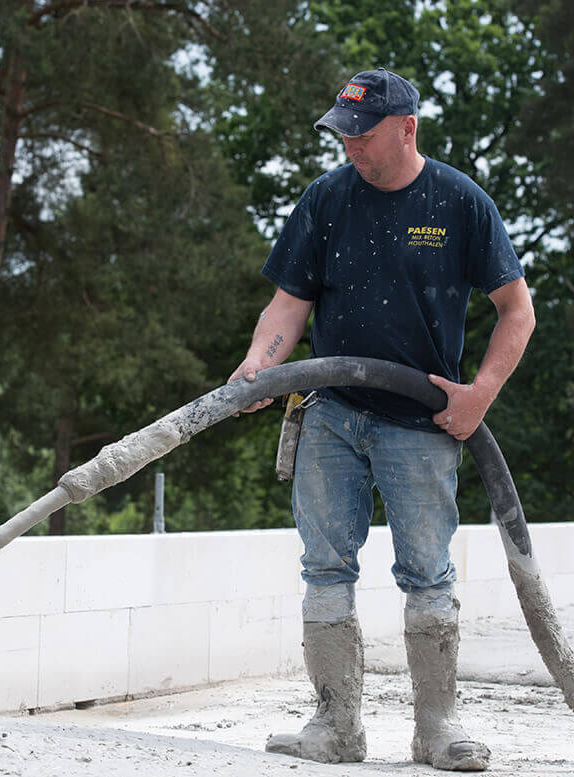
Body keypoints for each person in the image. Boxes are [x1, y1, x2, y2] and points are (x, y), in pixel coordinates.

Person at [229, 68, 536, 772]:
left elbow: (516, 311)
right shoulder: (326, 201)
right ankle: (336, 725)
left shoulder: (461, 203)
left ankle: (437, 727)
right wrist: (260, 365)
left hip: (421, 425)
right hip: (331, 414)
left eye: (362, 136)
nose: (350, 148)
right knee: (324, 566)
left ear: (407, 128)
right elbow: (287, 305)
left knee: (429, 574)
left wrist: (479, 392)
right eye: (342, 133)